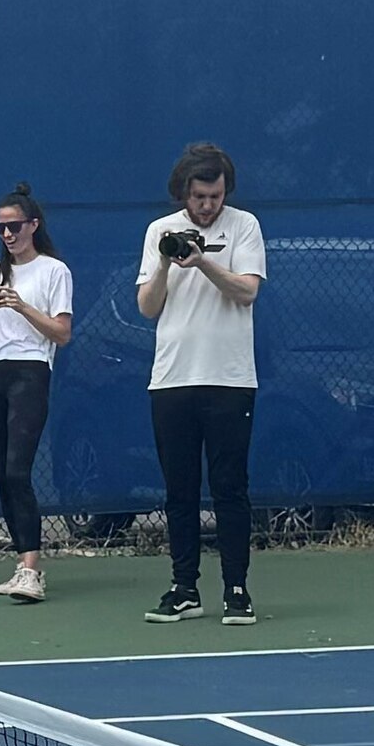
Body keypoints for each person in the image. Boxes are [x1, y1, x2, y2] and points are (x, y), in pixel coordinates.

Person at [133, 143, 266, 623]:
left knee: (230, 488)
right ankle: (184, 588)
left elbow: (247, 292)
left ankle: (236, 589)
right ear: (183, 193)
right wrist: (167, 261)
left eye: (216, 196)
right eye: (199, 197)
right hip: (172, 380)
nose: (208, 206)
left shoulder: (244, 226)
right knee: (180, 491)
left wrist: (202, 261)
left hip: (230, 380)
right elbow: (148, 307)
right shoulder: (159, 231)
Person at [0, 186, 77, 603]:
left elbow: (62, 333)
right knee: (1, 473)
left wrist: (21, 306)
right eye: (1, 228)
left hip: (30, 371)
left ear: (33, 225)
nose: (8, 235)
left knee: (18, 471)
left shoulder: (54, 271)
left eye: (14, 226)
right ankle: (21, 563)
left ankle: (32, 570)